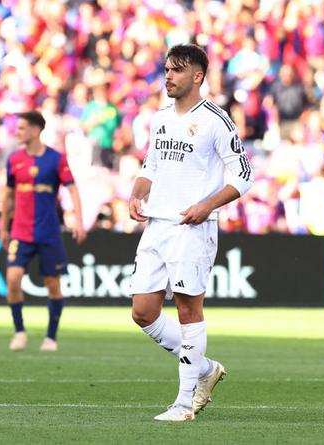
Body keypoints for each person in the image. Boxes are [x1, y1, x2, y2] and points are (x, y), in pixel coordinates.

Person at [128, 45, 254, 421]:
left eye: (177, 70)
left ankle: (184, 404)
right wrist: (136, 194)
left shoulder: (216, 120)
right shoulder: (160, 118)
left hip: (192, 228)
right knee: (143, 312)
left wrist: (207, 206)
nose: (168, 76)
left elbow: (244, 175)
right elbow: (151, 166)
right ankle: (205, 368)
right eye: (167, 69)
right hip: (156, 225)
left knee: (187, 309)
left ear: (197, 76)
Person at [0, 111, 86, 352]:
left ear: (36, 130)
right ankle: (19, 332)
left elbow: (73, 189)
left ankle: (51, 337)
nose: (17, 132)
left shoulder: (56, 159)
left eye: (21, 128)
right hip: (20, 232)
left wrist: (79, 222)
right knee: (13, 278)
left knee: (52, 283)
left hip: (48, 232)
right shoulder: (14, 160)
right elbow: (8, 196)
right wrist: (4, 226)